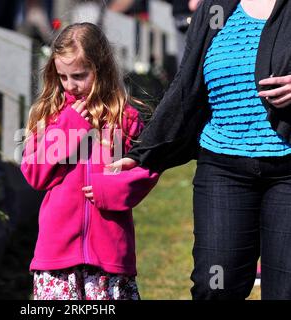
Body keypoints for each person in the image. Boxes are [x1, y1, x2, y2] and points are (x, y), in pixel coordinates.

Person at [109, 0, 291, 299]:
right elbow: (186, 84)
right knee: (214, 286)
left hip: (287, 169)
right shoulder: (215, 8)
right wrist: (144, 152)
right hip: (224, 168)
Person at [20, 22, 159, 300]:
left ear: (101, 69)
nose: (70, 85)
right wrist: (67, 129)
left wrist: (113, 190)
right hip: (57, 255)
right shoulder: (49, 116)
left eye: (79, 76)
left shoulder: (125, 117)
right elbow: (34, 173)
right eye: (63, 76)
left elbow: (147, 167)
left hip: (109, 254)